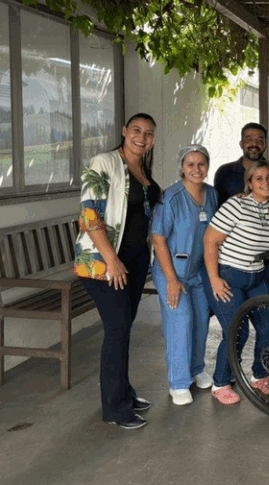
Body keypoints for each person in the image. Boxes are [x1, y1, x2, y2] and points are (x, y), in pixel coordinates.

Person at [74, 113, 161, 429]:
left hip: (135, 262)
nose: (142, 137)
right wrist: (111, 259)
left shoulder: (140, 169)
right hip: (104, 262)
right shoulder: (104, 162)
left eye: (149, 133)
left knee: (123, 328)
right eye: (136, 130)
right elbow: (89, 217)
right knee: (117, 328)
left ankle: (123, 391)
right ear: (124, 131)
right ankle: (114, 408)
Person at [203, 161, 269, 405]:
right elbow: (209, 241)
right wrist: (214, 278)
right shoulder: (236, 204)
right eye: (258, 179)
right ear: (249, 183)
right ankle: (221, 382)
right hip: (228, 275)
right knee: (238, 330)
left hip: (257, 275)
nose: (265, 183)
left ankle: (259, 375)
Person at [150, 145, 218, 406]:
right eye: (190, 164)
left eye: (201, 163)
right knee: (181, 320)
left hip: (199, 271)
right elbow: (158, 239)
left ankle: (196, 368)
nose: (196, 169)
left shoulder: (211, 194)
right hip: (172, 271)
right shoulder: (171, 197)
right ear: (182, 167)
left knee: (201, 319)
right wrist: (172, 280)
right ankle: (178, 382)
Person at [213, 123, 269, 299]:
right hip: (234, 259)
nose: (254, 143)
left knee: (265, 312)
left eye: (259, 140)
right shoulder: (224, 172)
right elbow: (217, 216)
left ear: (266, 145)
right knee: (234, 312)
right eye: (249, 139)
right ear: (241, 143)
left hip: (265, 256)